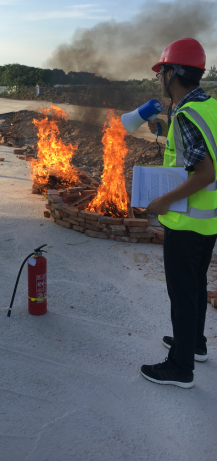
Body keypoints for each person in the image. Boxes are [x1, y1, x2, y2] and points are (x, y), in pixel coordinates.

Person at [140, 38, 217, 388]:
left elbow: (205, 173)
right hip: (209, 219)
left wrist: (163, 201)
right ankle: (195, 344)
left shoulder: (186, 113)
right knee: (196, 286)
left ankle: (180, 367)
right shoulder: (210, 107)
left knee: (182, 295)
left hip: (187, 222)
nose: (160, 78)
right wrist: (166, 131)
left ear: (173, 73)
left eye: (162, 72)